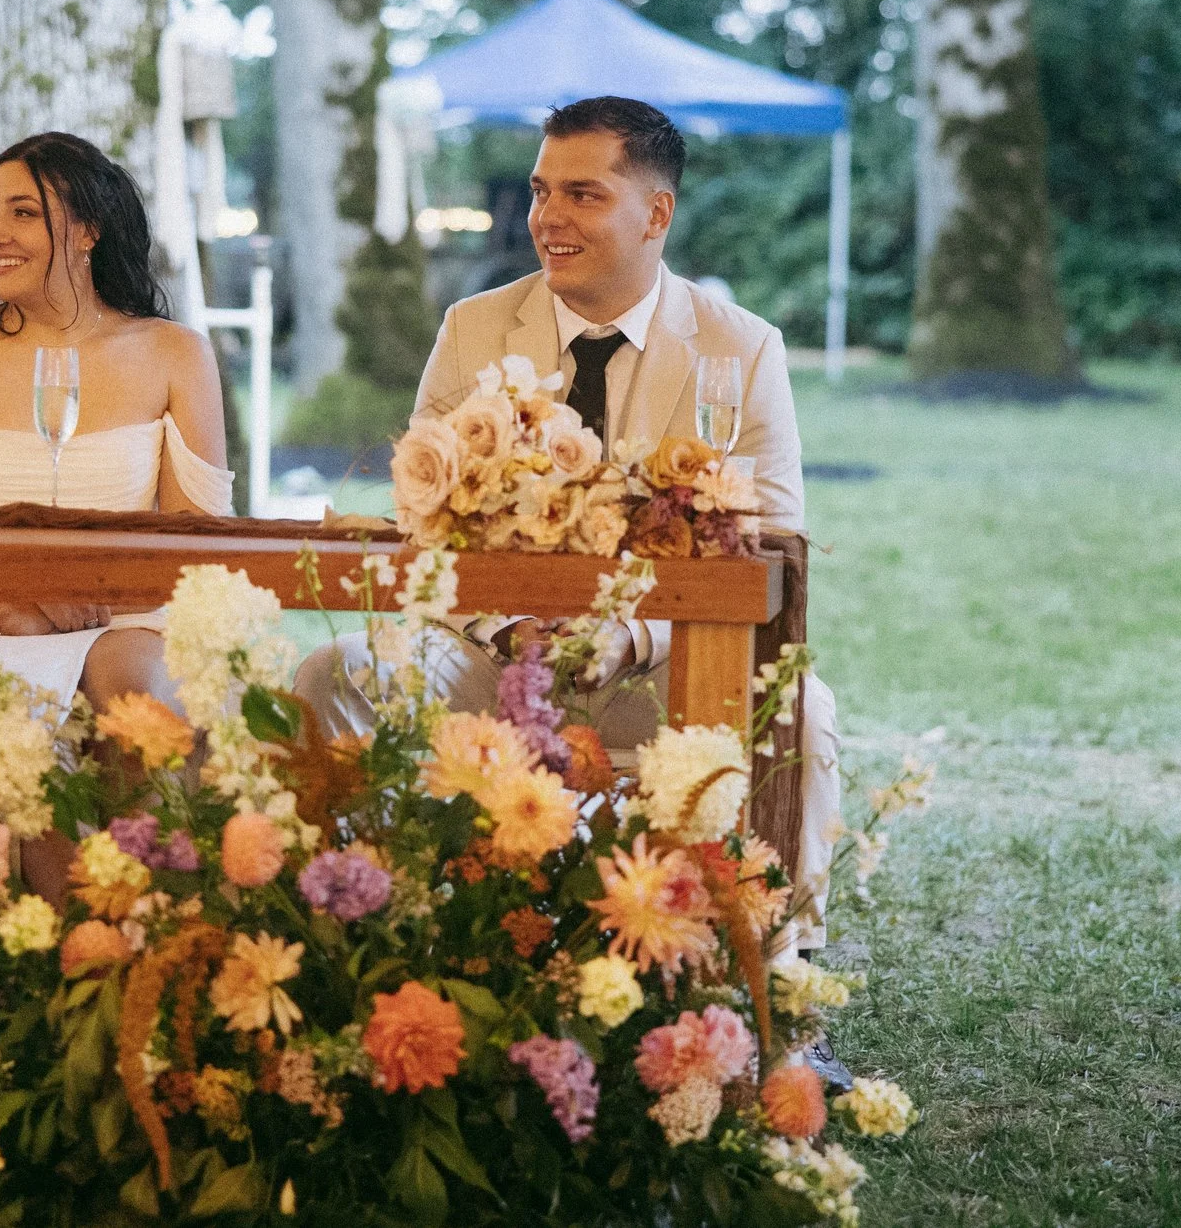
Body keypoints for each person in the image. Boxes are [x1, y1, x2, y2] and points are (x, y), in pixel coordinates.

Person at [293, 96, 844, 954]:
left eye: (582, 194)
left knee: (800, 710)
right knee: (332, 672)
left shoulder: (741, 348)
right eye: (540, 191)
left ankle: (781, 993)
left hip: (659, 665)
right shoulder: (473, 329)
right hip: (486, 652)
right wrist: (507, 626)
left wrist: (629, 638)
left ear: (657, 213)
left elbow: (768, 544)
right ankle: (370, 947)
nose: (547, 216)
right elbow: (422, 514)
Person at [0, 131, 233, 725]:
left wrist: (62, 603)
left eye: (24, 213)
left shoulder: (176, 355)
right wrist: (22, 596)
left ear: (89, 231)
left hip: (128, 620)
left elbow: (197, 554)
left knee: (133, 700)